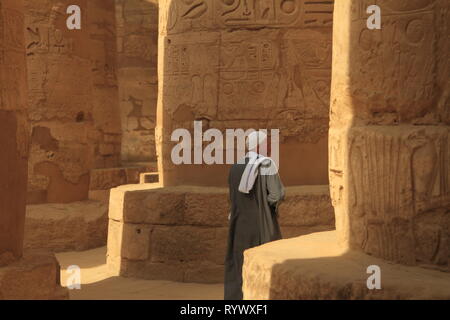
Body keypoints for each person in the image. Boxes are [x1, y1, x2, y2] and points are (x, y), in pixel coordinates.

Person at [224, 130, 285, 300]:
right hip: (261, 224)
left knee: (239, 265)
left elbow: (232, 197)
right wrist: (268, 206)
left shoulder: (235, 167)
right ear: (258, 145)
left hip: (239, 226)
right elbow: (276, 195)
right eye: (266, 143)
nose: (269, 146)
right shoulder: (266, 164)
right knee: (267, 265)